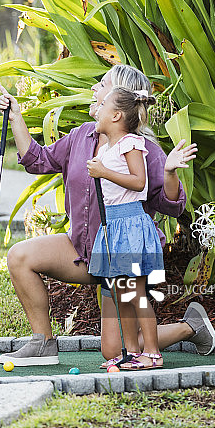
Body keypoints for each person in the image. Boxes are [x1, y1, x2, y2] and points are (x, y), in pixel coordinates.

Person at [0, 64, 215, 367]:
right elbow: (39, 160)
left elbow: (172, 205)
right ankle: (43, 343)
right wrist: (17, 117)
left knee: (116, 351)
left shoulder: (141, 149)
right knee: (20, 255)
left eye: (102, 85)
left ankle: (190, 327)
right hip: (84, 250)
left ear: (118, 103)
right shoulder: (81, 136)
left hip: (122, 254)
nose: (94, 90)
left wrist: (169, 172)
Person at [87, 85, 173, 370]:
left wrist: (103, 171)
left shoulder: (131, 143)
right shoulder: (107, 146)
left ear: (116, 115)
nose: (97, 110)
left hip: (131, 223)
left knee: (135, 293)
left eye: (103, 107)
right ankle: (132, 352)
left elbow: (140, 183)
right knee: (121, 292)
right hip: (112, 225)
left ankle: (153, 353)